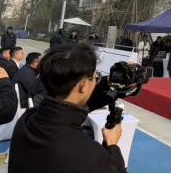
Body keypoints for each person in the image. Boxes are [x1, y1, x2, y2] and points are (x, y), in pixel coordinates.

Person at [9, 44, 126, 173]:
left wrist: (106, 82)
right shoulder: (90, 154)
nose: (96, 81)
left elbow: (69, 106)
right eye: (96, 78)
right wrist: (112, 145)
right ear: (84, 85)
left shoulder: (26, 119)